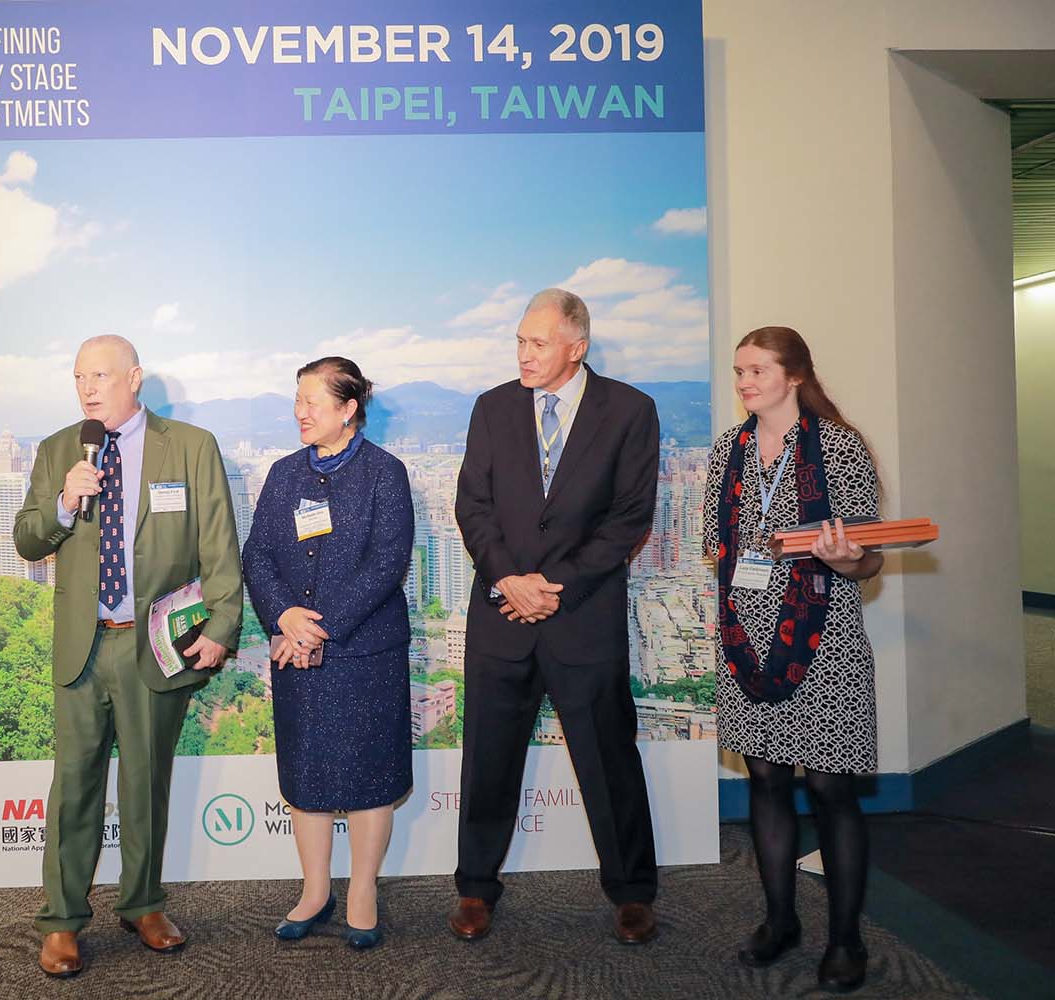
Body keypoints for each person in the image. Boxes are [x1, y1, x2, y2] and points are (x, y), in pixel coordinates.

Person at [14, 335, 244, 979]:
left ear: (135, 378)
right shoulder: (59, 450)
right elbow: (28, 539)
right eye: (79, 377)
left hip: (155, 644)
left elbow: (219, 544)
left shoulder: (191, 446)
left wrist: (223, 623)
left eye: (101, 376)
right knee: (74, 786)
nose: (87, 389)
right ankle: (62, 921)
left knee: (146, 782)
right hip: (83, 646)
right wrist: (64, 502)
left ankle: (143, 904)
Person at [450, 288, 661, 945]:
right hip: (502, 615)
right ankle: (475, 887)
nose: (524, 354)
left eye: (538, 343)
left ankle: (631, 892)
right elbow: (473, 504)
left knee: (608, 759)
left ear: (577, 347)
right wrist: (509, 581)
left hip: (583, 618)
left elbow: (629, 516)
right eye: (520, 341)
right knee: (488, 760)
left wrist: (554, 587)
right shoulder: (492, 408)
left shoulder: (630, 411)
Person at [705, 326, 883, 994]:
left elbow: (869, 559)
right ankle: (780, 921)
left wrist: (847, 558)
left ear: (795, 375)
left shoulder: (839, 447)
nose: (745, 382)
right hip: (745, 645)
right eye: (739, 371)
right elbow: (716, 545)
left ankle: (845, 939)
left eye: (757, 370)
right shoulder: (728, 449)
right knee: (767, 782)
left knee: (832, 790)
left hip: (824, 641)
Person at [242, 357, 414, 951]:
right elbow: (257, 554)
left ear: (348, 409)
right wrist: (284, 617)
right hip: (296, 650)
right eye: (297, 400)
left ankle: (362, 891)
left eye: (312, 402)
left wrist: (321, 627)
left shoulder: (385, 473)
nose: (300, 412)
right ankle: (315, 891)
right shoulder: (283, 473)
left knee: (370, 774)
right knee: (306, 772)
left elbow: (387, 563)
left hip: (366, 652)